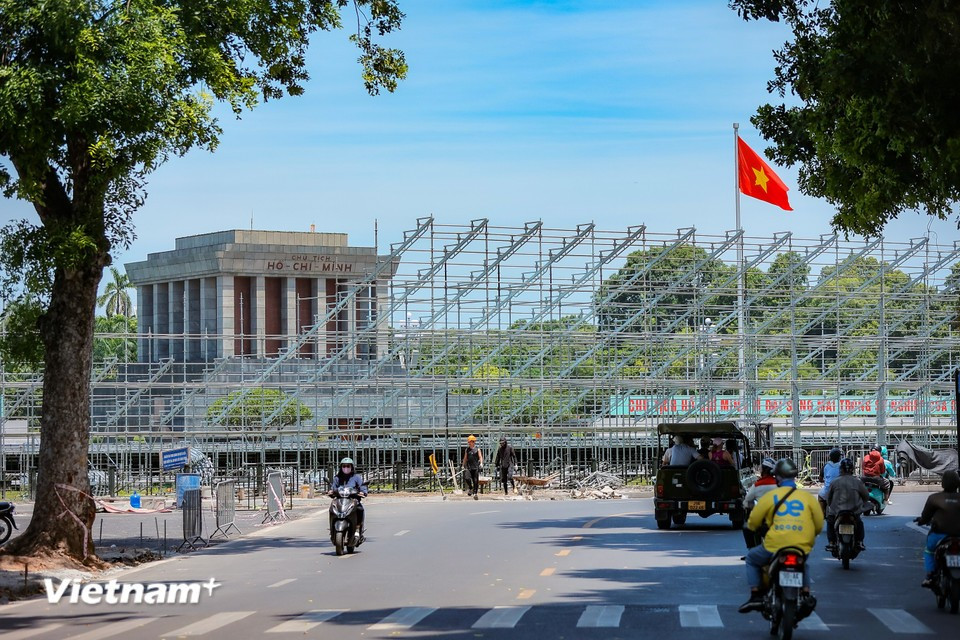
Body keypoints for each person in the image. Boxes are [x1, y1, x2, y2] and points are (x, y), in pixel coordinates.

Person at [739, 458, 823, 614]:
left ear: (777, 477)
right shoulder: (807, 498)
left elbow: (753, 522)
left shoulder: (770, 497)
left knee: (751, 559)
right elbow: (818, 524)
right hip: (801, 546)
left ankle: (755, 595)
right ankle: (806, 593)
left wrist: (752, 527)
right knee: (804, 563)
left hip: (774, 546)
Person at [916, 469, 960, 589]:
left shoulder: (934, 498)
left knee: (929, 551)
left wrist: (921, 521)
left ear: (943, 483)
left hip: (939, 535)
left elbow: (925, 516)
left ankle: (930, 575)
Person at [824, 458, 868, 553]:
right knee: (859, 522)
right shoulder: (857, 482)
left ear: (841, 469)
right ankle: (859, 542)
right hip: (854, 511)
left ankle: (831, 542)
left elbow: (829, 498)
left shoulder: (834, 482)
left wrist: (830, 506)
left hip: (837, 511)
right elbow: (865, 496)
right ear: (852, 469)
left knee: (830, 521)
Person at [742, 457, 779, 549]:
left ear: (764, 470)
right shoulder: (780, 484)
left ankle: (752, 550)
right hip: (781, 517)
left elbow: (747, 502)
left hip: (764, 519)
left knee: (747, 527)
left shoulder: (758, 485)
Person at [329, 457, 368, 536]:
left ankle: (358, 527)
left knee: (360, 509)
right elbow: (333, 488)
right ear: (341, 467)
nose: (346, 468)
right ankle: (332, 528)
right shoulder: (337, 478)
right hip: (339, 500)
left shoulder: (356, 477)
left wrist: (363, 492)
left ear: (351, 467)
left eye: (348, 466)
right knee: (332, 509)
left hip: (353, 500)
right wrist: (331, 492)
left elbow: (362, 486)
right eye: (344, 466)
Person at [818, 448, 843, 514]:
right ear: (839, 457)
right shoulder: (841, 465)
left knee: (820, 496)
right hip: (840, 490)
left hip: (828, 490)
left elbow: (820, 479)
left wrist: (825, 480)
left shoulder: (826, 465)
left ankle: (821, 514)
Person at [462, 435, 483, 500]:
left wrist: (481, 463)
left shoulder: (477, 449)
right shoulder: (467, 450)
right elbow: (465, 458)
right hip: (469, 467)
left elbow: (480, 457)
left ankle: (475, 493)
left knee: (475, 481)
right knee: (467, 478)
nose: (469, 443)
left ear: (473, 442)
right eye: (468, 442)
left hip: (475, 467)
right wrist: (463, 465)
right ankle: (470, 488)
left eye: (470, 442)